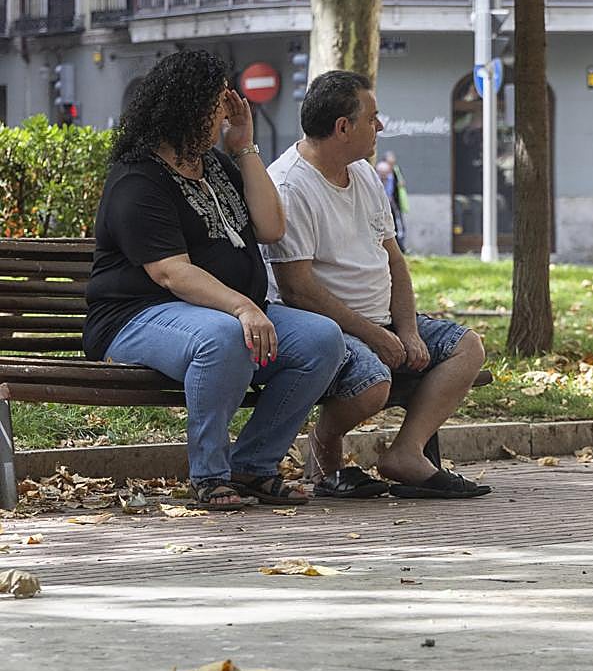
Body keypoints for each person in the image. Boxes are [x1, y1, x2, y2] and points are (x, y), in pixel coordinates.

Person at [83, 49, 347, 510]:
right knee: (225, 337)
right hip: (136, 317)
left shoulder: (219, 169)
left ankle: (253, 465)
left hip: (218, 313)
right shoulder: (138, 179)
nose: (227, 109)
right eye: (217, 102)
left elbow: (270, 228)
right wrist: (243, 307)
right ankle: (208, 475)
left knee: (322, 339)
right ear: (186, 108)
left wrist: (244, 146)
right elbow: (170, 270)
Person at [262, 71, 490, 499]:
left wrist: (405, 328)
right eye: (373, 117)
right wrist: (373, 335)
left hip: (384, 321)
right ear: (342, 127)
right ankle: (324, 452)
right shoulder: (290, 186)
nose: (380, 126)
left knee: (467, 347)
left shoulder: (363, 174)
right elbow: (298, 290)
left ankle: (406, 453)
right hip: (330, 330)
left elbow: (394, 259)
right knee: (372, 381)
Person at [375, 150, 409, 252]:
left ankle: (400, 247)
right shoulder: (376, 176)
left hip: (393, 203)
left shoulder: (394, 172)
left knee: (397, 224)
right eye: (382, 175)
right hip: (382, 204)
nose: (385, 177)